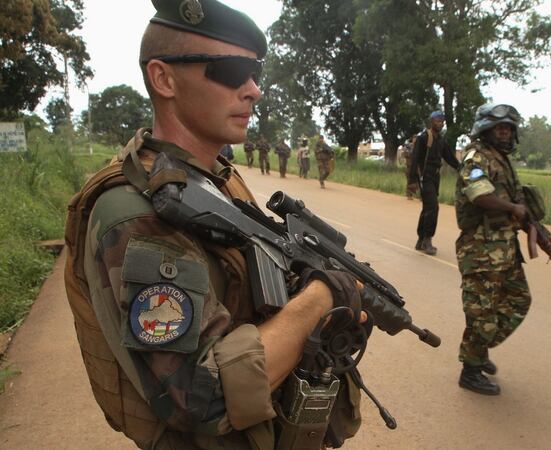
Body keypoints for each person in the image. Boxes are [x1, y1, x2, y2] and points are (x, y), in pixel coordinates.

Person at [62, 1, 364, 447]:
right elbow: (204, 394)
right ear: (163, 79)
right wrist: (320, 298)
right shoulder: (137, 211)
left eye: (256, 72)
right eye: (230, 71)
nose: (253, 90)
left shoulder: (216, 178)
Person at [455, 103, 540, 396]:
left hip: (505, 248)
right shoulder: (476, 157)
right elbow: (479, 196)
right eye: (499, 128)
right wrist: (512, 208)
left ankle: (478, 348)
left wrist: (538, 232)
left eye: (508, 129)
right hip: (480, 250)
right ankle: (471, 369)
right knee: (482, 313)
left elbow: (521, 206)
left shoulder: (501, 159)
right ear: (485, 130)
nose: (505, 133)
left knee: (519, 300)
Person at [409, 111, 459, 255]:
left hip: (435, 178)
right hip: (425, 177)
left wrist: (461, 168)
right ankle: (427, 240)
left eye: (442, 121)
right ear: (431, 122)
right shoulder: (423, 138)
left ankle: (420, 240)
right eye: (438, 121)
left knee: (427, 209)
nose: (441, 123)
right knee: (433, 207)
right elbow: (415, 160)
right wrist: (412, 181)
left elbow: (449, 157)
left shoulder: (441, 140)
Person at [402, 136, 417, 200]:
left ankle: (420, 196)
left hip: (417, 167)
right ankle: (409, 195)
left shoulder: (419, 147)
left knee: (419, 181)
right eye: (414, 139)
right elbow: (405, 154)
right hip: (409, 166)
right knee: (410, 181)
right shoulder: (408, 146)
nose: (415, 140)